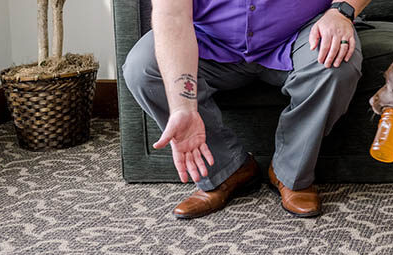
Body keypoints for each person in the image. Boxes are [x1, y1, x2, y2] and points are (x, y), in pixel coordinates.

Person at [123, 0, 370, 219]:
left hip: (300, 33)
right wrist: (183, 106)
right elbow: (172, 15)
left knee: (338, 64)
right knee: (143, 67)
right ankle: (228, 170)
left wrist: (342, 11)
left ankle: (289, 174)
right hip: (209, 42)